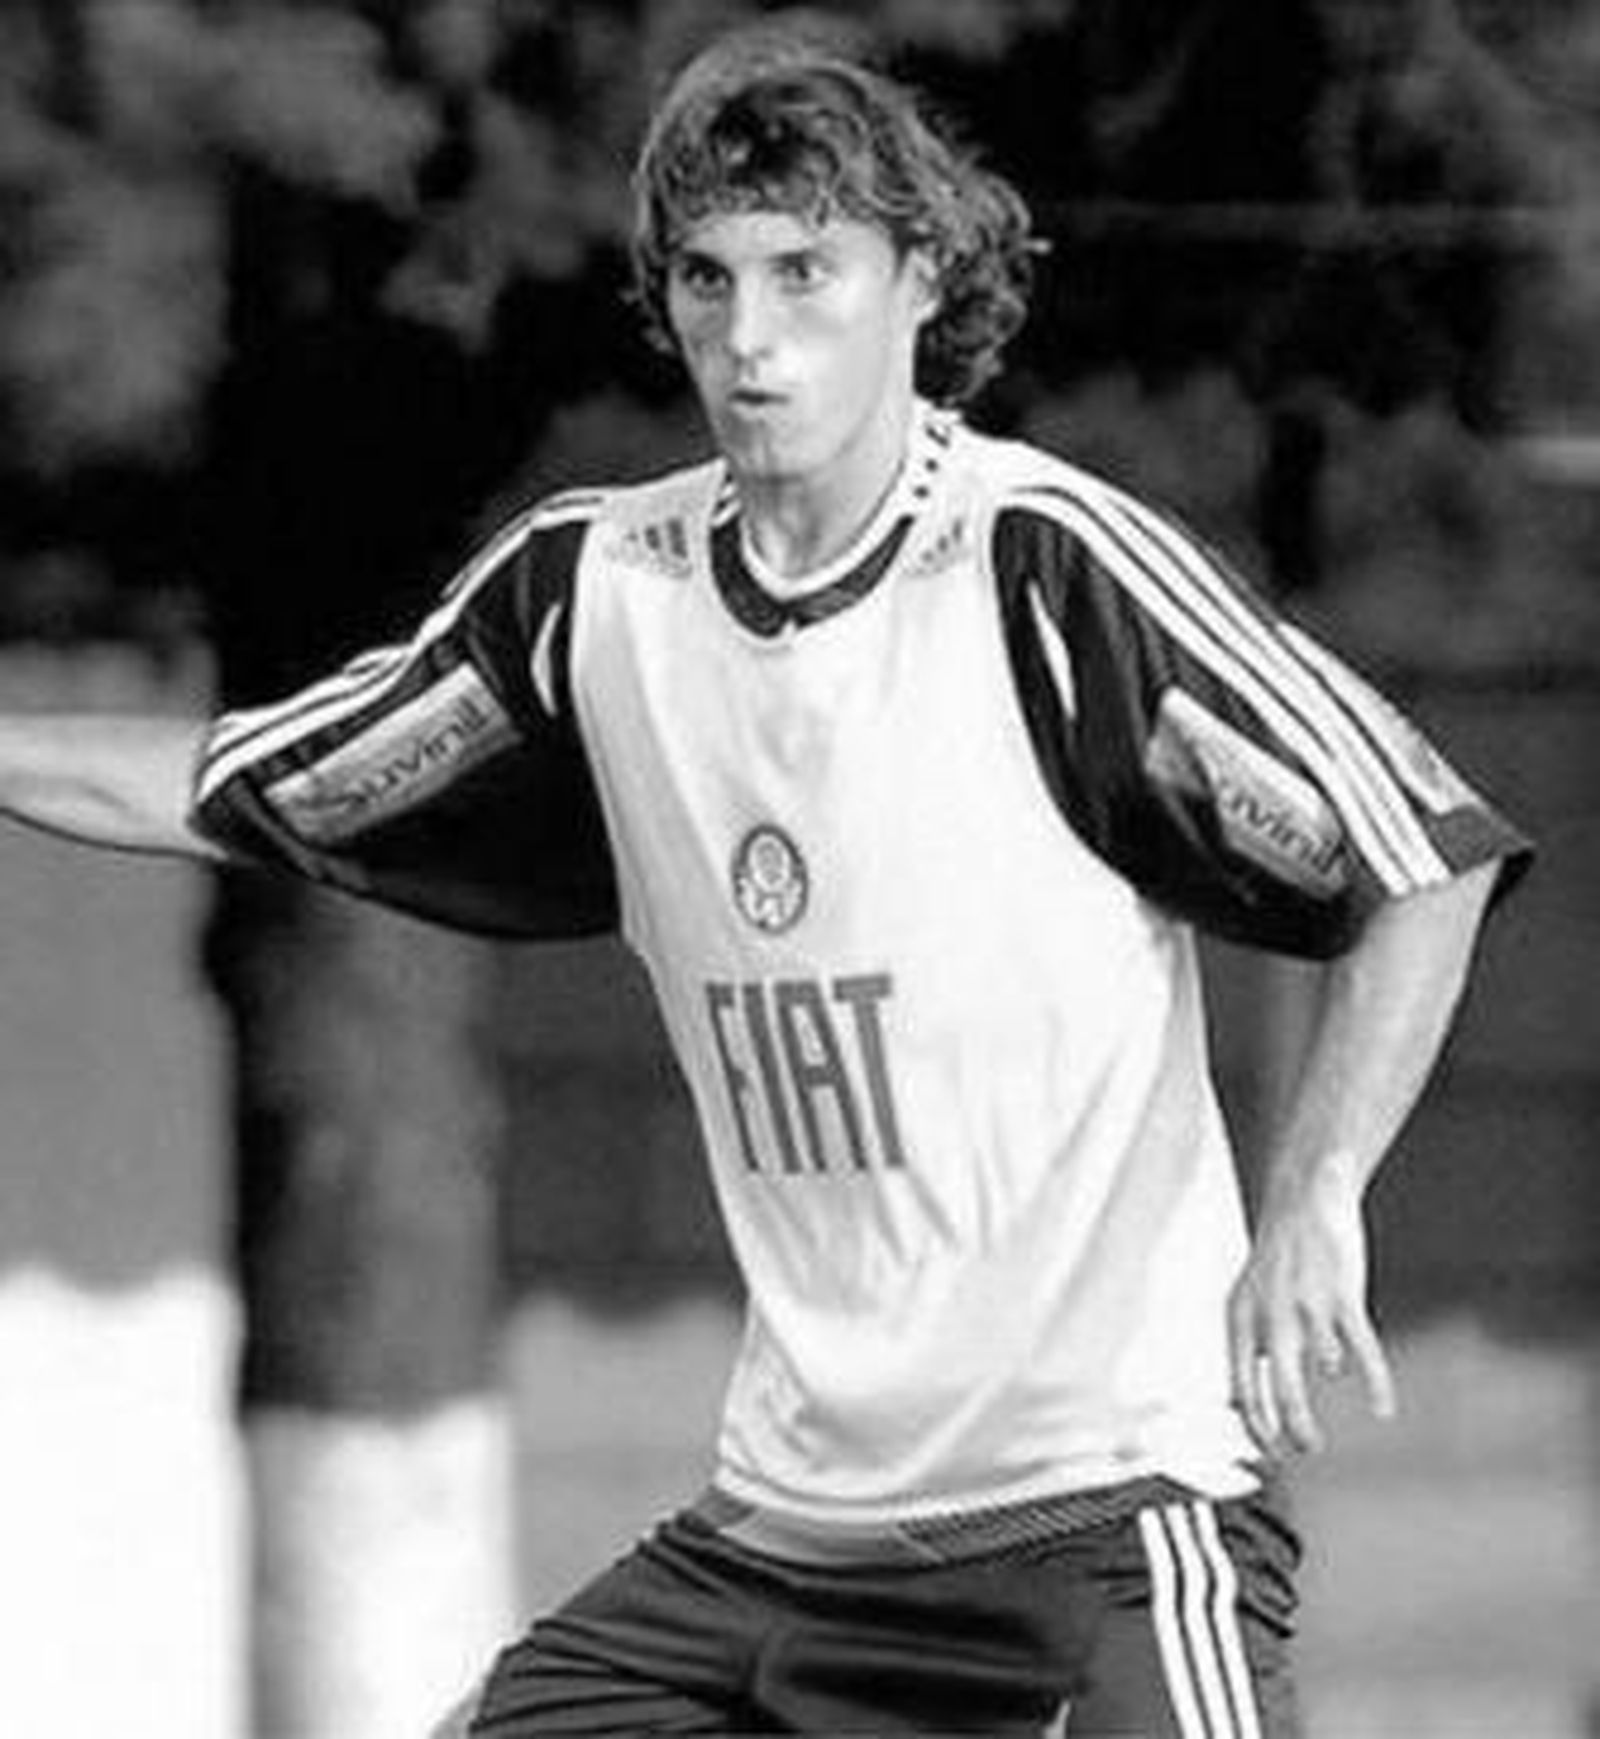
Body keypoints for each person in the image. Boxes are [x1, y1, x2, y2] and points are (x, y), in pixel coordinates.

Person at [0, 17, 1531, 1737]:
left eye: (806, 272)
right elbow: (244, 776)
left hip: (1107, 1513)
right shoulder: (596, 593)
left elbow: (1419, 856)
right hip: (782, 1554)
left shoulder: (1041, 569)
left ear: (919, 282)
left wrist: (1318, 1192)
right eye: (708, 279)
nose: (750, 335)